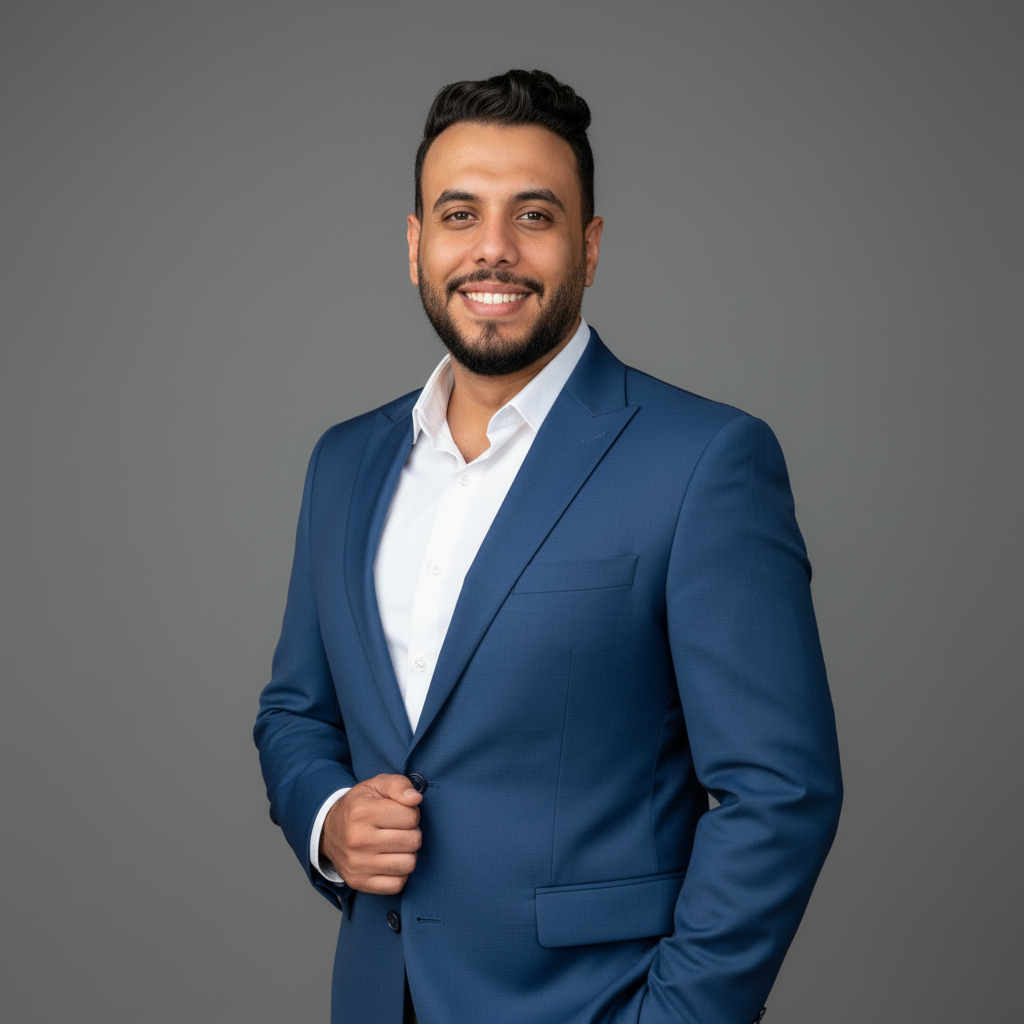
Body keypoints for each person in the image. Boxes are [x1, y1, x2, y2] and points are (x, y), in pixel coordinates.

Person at [254, 69, 842, 1024]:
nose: (493, 248)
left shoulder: (704, 462)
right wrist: (328, 819)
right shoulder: (344, 463)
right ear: (415, 245)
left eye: (534, 215)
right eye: (459, 215)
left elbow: (782, 791)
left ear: (590, 246)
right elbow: (295, 711)